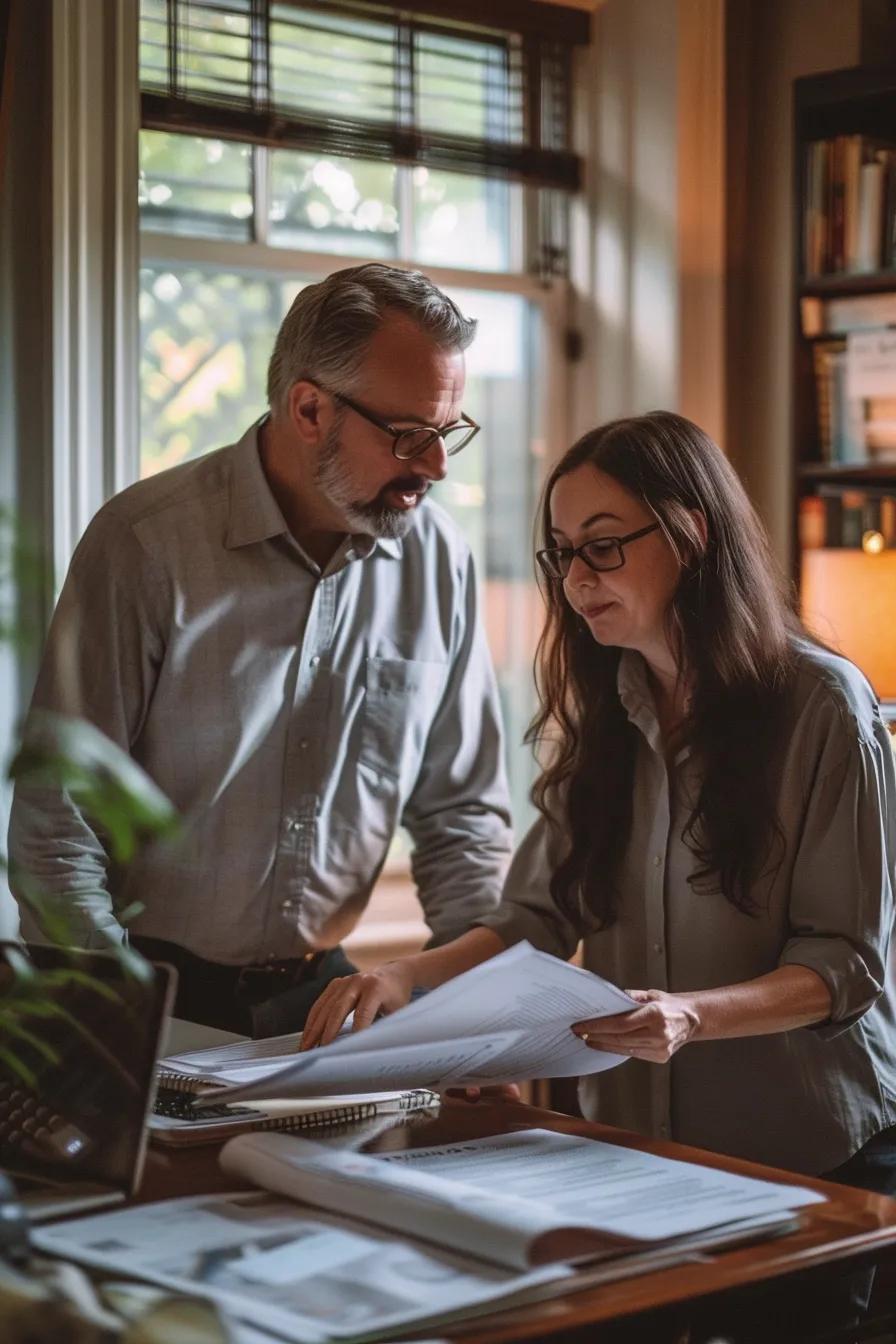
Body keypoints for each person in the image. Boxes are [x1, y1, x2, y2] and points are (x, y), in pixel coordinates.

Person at [302, 410, 896, 1193]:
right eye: (563, 554)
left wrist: (689, 1016)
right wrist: (406, 976)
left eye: (604, 546)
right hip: (628, 1147)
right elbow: (537, 918)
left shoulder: (823, 706)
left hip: (809, 1155)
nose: (578, 580)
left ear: (690, 534)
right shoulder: (605, 704)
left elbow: (845, 965)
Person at [8, 264, 513, 1036]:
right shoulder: (145, 544)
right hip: (145, 992)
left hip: (326, 1002)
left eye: (449, 432)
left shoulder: (438, 559)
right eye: (411, 435)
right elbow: (58, 821)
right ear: (309, 408)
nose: (437, 466)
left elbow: (462, 818)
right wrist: (115, 1026)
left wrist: (468, 1017)